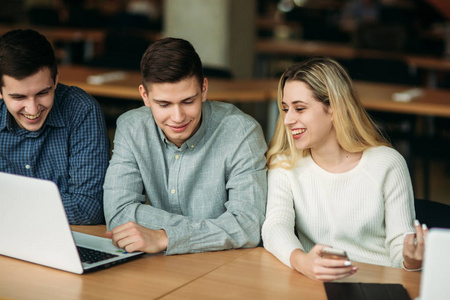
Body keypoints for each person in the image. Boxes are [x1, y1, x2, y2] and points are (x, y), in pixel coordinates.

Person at [261, 57, 426, 282]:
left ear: (333, 109)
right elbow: (275, 226)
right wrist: (302, 261)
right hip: (317, 285)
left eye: (300, 108)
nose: (288, 120)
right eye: (285, 109)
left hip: (377, 286)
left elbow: (400, 251)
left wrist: (412, 261)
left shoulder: (387, 163)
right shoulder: (285, 165)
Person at [103, 37, 267, 255]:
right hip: (161, 265)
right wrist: (214, 229)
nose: (178, 117)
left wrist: (166, 237)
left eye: (188, 101)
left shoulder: (242, 133)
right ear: (145, 96)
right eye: (164, 104)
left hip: (223, 266)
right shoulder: (131, 128)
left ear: (204, 89)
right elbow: (118, 214)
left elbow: (248, 225)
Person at [0, 29, 110, 224]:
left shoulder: (81, 110)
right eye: (19, 97)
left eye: (43, 93)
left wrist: (10, 205)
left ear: (56, 78)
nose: (32, 109)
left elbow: (88, 208)